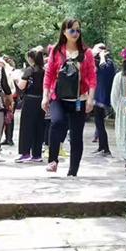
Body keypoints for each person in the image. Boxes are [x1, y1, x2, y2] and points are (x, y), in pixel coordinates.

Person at [43, 18, 97, 176]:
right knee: (57, 122)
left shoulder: (86, 53)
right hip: (58, 97)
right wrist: (45, 96)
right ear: (64, 32)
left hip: (79, 99)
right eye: (72, 30)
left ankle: (73, 171)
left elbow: (92, 77)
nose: (75, 33)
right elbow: (49, 74)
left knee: (76, 135)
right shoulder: (56, 51)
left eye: (78, 30)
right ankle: (53, 160)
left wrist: (90, 98)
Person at [16, 47, 46, 163]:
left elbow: (22, 85)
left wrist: (17, 80)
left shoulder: (29, 70)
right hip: (41, 100)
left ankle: (25, 153)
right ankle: (37, 154)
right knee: (39, 127)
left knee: (26, 127)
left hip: (30, 100)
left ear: (30, 58)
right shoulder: (44, 70)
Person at [92, 44, 115, 156]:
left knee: (100, 123)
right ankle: (102, 146)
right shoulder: (99, 62)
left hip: (103, 97)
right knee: (98, 123)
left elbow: (103, 68)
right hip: (98, 96)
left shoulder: (108, 63)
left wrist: (102, 56)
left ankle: (105, 148)